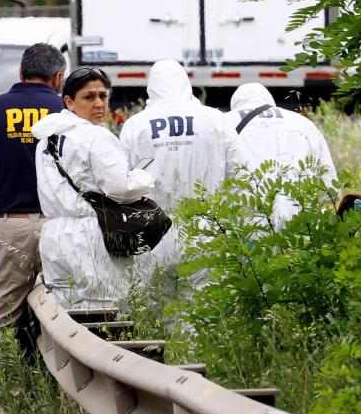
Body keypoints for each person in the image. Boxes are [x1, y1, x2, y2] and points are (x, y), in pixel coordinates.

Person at [0, 43, 66, 363]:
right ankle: (63, 403)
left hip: (10, 226)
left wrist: (2, 204)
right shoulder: (67, 112)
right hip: (59, 228)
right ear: (58, 78)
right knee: (64, 320)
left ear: (21, 73)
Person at [32, 67, 155, 308]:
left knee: (64, 310)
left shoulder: (47, 139)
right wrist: (144, 178)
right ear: (69, 101)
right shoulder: (96, 137)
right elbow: (119, 187)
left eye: (103, 95)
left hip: (54, 235)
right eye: (89, 97)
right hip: (92, 233)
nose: (99, 103)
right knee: (104, 309)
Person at [119, 59, 244, 281]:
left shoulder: (135, 125)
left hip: (154, 231)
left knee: (156, 306)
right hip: (207, 228)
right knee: (205, 305)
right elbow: (239, 174)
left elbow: (123, 184)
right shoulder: (216, 119)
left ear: (152, 87)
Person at [223, 82, 338, 229]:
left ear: (235, 106)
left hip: (247, 228)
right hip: (301, 226)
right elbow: (330, 188)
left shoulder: (223, 124)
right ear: (270, 101)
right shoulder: (303, 124)